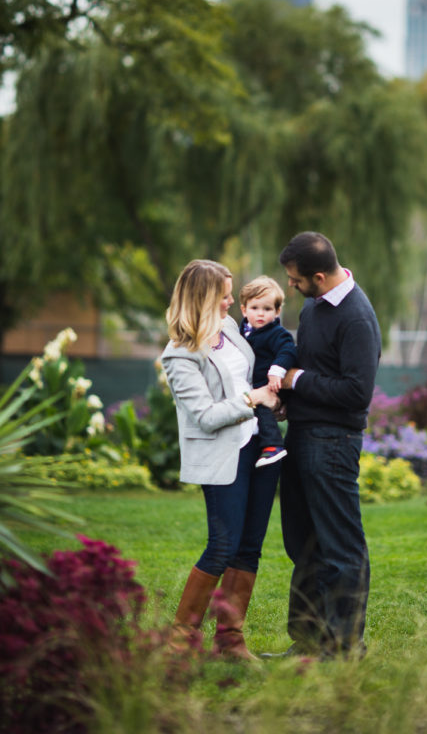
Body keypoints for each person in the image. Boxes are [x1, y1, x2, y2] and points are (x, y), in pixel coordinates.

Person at [161, 259, 282, 659]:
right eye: (225, 295)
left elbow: (249, 376)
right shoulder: (179, 355)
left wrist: (271, 401)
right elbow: (207, 417)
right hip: (221, 456)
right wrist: (254, 399)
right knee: (222, 545)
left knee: (249, 547)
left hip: (258, 448)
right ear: (204, 298)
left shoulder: (229, 330)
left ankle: (230, 641)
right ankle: (180, 644)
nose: (233, 301)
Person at [274, 231, 381, 659]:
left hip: (334, 443)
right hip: (301, 435)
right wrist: (288, 396)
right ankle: (307, 641)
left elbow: (357, 392)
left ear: (319, 276)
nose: (290, 286)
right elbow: (313, 365)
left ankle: (343, 645)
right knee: (303, 544)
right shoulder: (315, 306)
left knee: (339, 546)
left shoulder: (356, 317)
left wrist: (296, 380)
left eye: (295, 279)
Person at [238, 275, 299, 468]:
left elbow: (288, 350)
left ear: (277, 311)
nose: (260, 314)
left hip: (271, 383)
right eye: (254, 308)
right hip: (254, 383)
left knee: (263, 408)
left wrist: (277, 370)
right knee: (255, 406)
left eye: (267, 309)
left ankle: (273, 445)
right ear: (244, 310)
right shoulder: (243, 332)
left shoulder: (276, 333)